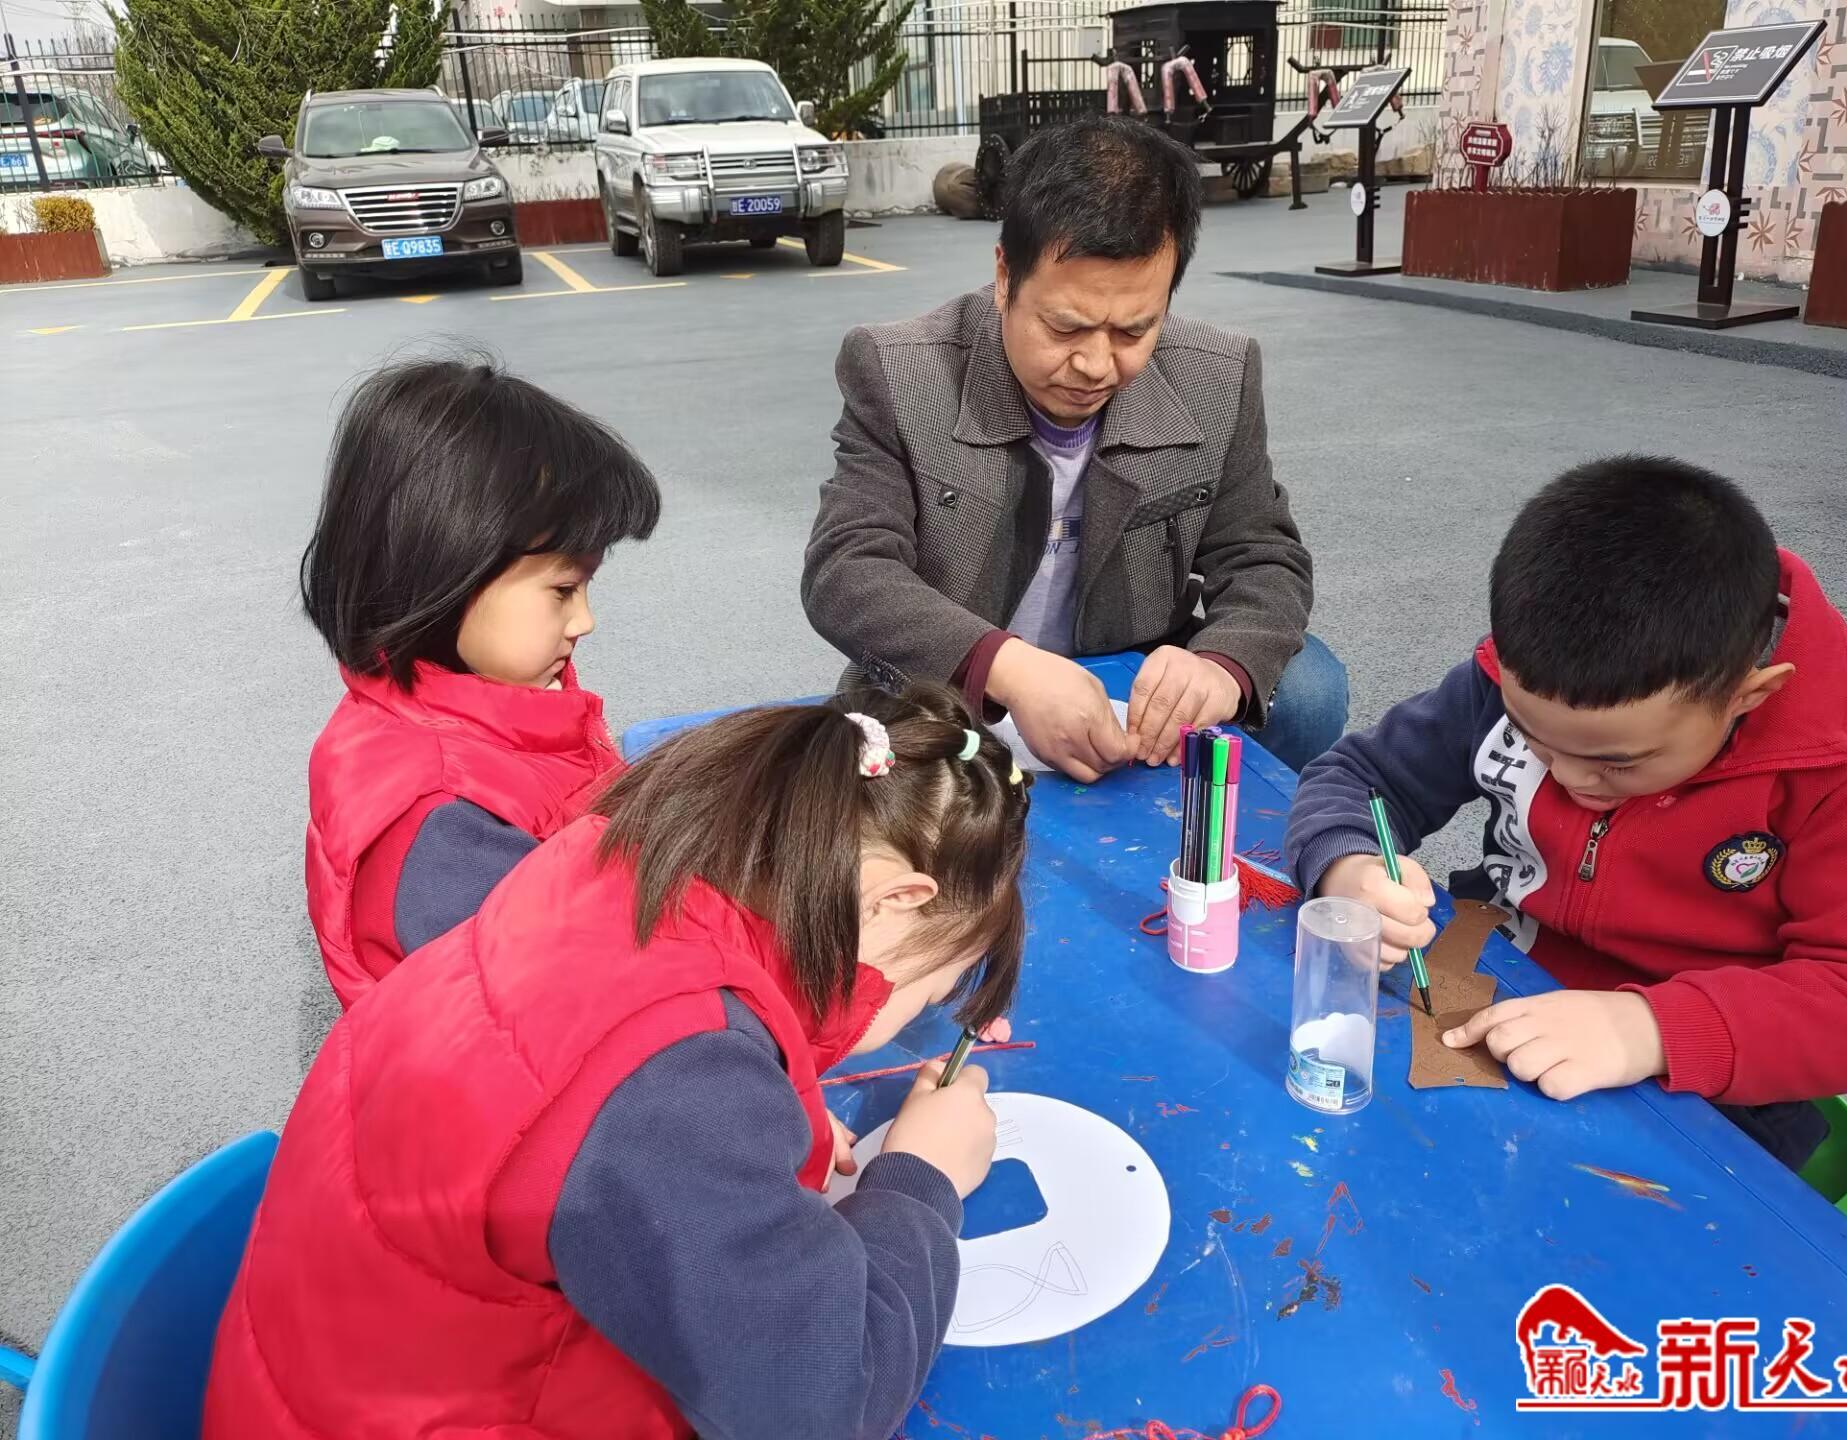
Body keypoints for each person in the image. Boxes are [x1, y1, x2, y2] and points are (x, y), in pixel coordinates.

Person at [203, 686, 1029, 1440]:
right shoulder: (677, 1084)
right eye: (932, 987)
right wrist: (920, 1177)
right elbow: (821, 1405)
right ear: (893, 899)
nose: (920, 1009)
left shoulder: (604, 868)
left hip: (352, 1378)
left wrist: (774, 1106)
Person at [1283, 457, 1847, 1168]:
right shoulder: (1531, 677)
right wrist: (1349, 865)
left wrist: (1649, 1028)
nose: (1565, 776)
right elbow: (1361, 776)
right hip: (1496, 965)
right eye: (1532, 738)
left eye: (1617, 763)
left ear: (1748, 695)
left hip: (1707, 1077)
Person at [803, 115, 1345, 784]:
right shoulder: (898, 371)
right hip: (952, 685)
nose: (1094, 364)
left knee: (1310, 688)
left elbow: (1262, 556)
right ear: (1005, 276)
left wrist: (1221, 667)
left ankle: (1242, 831)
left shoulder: (1217, 377)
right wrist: (1009, 668)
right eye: (1064, 327)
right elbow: (846, 568)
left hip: (1127, 682)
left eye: (1133, 331)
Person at [299, 356, 660, 1009]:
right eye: (564, 589)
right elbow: (576, 1014)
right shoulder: (446, 829)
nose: (585, 620)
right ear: (445, 569)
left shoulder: (485, 705)